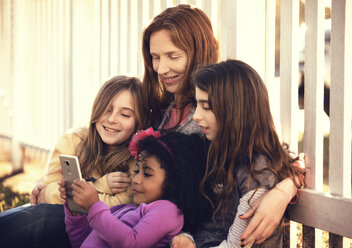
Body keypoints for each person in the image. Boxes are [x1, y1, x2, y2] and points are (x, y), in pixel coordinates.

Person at [141, 4, 304, 246]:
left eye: (173, 56)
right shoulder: (158, 112)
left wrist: (283, 191)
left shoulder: (216, 124)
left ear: (198, 52)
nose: (161, 69)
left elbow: (276, 160)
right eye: (155, 57)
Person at [0, 75, 146, 248]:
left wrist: (63, 193)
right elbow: (47, 192)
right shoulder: (74, 140)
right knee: (37, 216)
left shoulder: (137, 158)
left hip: (98, 235)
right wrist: (101, 185)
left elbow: (119, 206)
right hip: (60, 224)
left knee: (44, 216)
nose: (112, 119)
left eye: (125, 114)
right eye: (106, 110)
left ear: (138, 121)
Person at [188, 59, 304, 247]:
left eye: (207, 107)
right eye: (197, 105)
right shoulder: (216, 149)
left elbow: (240, 242)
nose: (196, 116)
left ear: (236, 110)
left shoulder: (256, 166)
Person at [60, 128, 212, 248]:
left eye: (146, 173)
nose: (136, 180)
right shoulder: (126, 209)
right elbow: (82, 242)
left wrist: (94, 206)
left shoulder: (168, 210)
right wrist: (76, 212)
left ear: (176, 181)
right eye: (136, 171)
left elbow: (131, 243)